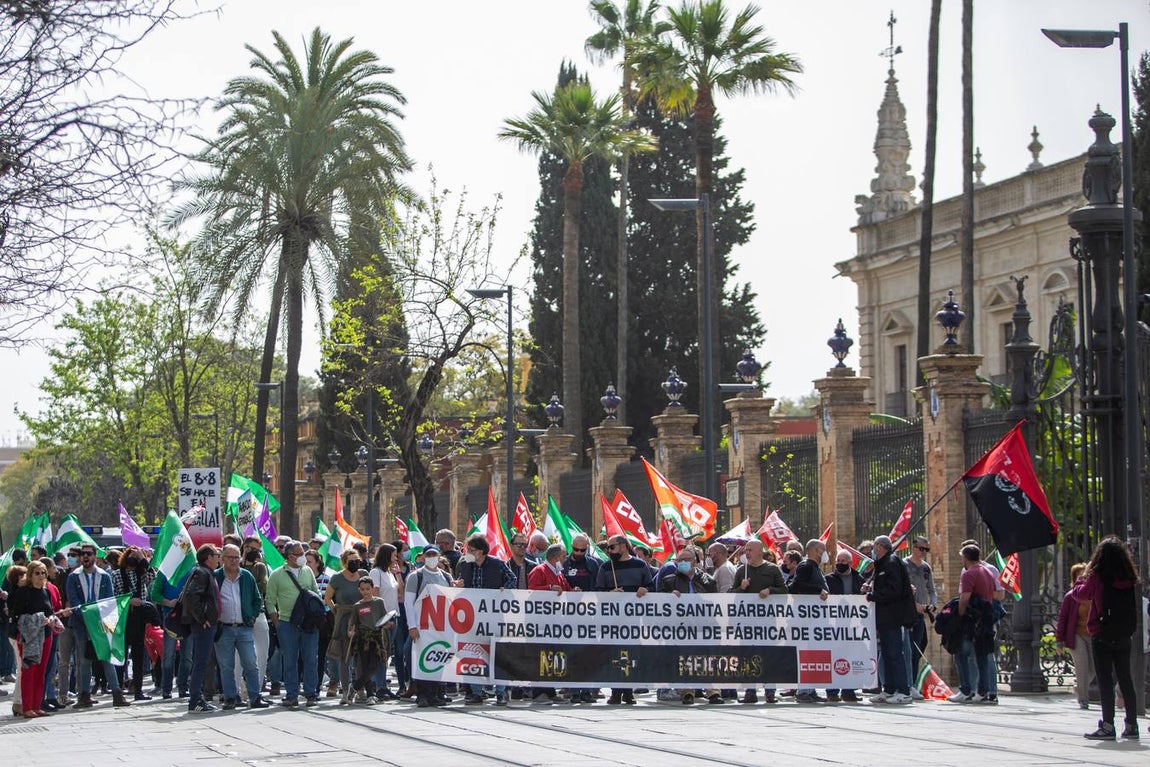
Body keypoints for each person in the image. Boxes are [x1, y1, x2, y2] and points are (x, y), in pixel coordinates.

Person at [1068, 536, 1140, 740]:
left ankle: (1108, 725)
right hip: (1124, 633)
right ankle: (1132, 725)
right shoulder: (1129, 576)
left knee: (1106, 680)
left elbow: (1080, 595)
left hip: (1102, 632)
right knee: (1125, 679)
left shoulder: (1097, 576)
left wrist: (1081, 578)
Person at [66, 544, 130, 709]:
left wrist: (99, 622)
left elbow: (109, 601)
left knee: (106, 657)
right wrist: (87, 620)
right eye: (82, 554)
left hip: (101, 625)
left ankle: (117, 693)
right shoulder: (74, 577)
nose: (85, 557)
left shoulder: (104, 576)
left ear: (95, 556)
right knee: (84, 661)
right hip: (81, 625)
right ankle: (84, 696)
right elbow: (74, 602)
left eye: (88, 554)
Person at [455, 534, 516, 706]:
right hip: (472, 617)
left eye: (471, 550)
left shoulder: (497, 564)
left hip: (494, 617)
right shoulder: (465, 565)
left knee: (498, 654)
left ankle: (501, 692)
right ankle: (476, 692)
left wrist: (505, 589)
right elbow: (460, 583)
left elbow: (512, 578)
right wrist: (458, 585)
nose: (468, 553)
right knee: (472, 653)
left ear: (481, 551)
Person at [595, 535, 652, 706]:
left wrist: (645, 590)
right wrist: (610, 594)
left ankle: (628, 691)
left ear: (622, 546)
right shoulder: (606, 567)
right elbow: (598, 592)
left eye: (612, 547)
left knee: (631, 654)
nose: (609, 551)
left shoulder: (640, 565)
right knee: (614, 654)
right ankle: (615, 691)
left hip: (633, 619)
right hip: (612, 620)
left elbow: (651, 586)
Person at [266, 540, 322, 708]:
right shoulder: (277, 574)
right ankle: (292, 695)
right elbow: (270, 599)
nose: (303, 557)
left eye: (303, 554)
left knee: (311, 658)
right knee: (290, 660)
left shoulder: (308, 572)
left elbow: (316, 592)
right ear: (289, 556)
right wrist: (276, 621)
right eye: (299, 554)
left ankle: (311, 693)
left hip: (308, 623)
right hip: (287, 623)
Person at [660, 546, 720, 704]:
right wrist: (669, 597)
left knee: (707, 658)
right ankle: (687, 691)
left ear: (695, 561)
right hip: (682, 627)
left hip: (704, 625)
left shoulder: (708, 580)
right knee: (685, 658)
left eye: (686, 560)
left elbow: (714, 602)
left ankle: (713, 692)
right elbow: (658, 602)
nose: (682, 563)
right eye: (679, 560)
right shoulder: (669, 581)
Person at [213, 544, 269, 710]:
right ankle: (230, 697)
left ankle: (255, 696)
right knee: (226, 665)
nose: (234, 561)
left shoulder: (246, 576)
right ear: (222, 559)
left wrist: (251, 617)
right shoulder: (216, 577)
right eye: (230, 557)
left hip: (244, 627)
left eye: (237, 557)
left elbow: (257, 599)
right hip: (224, 628)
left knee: (251, 663)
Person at [732, 539, 785, 704]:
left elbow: (784, 590)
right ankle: (750, 690)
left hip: (768, 622)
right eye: (746, 550)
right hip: (747, 623)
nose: (746, 553)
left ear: (760, 552)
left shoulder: (772, 569)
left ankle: (770, 691)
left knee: (769, 655)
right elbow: (732, 594)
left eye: (750, 550)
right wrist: (742, 588)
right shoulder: (741, 571)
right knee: (748, 656)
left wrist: (770, 590)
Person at [865, 535, 914, 705]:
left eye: (874, 546)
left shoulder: (892, 563)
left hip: (893, 616)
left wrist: (873, 596)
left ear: (879, 547)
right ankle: (889, 689)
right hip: (884, 617)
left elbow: (894, 589)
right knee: (886, 653)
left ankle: (904, 691)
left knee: (894, 653)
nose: (873, 549)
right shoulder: (883, 564)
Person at [404, 545, 454, 708]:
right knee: (422, 659)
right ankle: (423, 694)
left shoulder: (446, 576)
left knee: (439, 658)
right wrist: (412, 625)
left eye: (434, 554)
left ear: (439, 556)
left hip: (441, 626)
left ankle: (436, 693)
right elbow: (408, 602)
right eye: (428, 554)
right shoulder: (415, 576)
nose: (432, 557)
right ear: (424, 556)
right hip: (423, 625)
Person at [8, 562, 59, 718]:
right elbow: (16, 614)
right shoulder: (23, 592)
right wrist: (37, 619)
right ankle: (27, 707)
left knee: (41, 671)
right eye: (37, 573)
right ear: (30, 575)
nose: (41, 576)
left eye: (43, 572)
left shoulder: (46, 591)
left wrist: (50, 619)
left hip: (45, 634)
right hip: (28, 637)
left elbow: (50, 611)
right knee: (29, 671)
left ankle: (37, 705)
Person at [950, 544, 997, 705]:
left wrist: (960, 615)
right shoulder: (987, 571)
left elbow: (964, 598)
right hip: (986, 618)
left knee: (961, 653)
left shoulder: (969, 574)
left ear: (965, 557)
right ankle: (983, 691)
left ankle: (965, 689)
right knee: (982, 656)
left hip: (972, 620)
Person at [110, 545, 156, 700]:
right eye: (130, 556)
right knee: (121, 655)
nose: (132, 560)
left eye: (135, 557)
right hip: (123, 618)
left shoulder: (141, 574)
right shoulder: (116, 574)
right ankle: (118, 688)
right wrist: (129, 601)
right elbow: (114, 597)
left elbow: (152, 576)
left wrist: (142, 558)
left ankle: (138, 690)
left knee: (138, 655)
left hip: (139, 619)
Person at [788, 539, 830, 703]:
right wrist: (818, 590)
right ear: (817, 550)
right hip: (806, 620)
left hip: (814, 619)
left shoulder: (814, 568)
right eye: (824, 549)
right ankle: (803, 690)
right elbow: (796, 586)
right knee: (806, 652)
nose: (826, 553)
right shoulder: (806, 566)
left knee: (813, 654)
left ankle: (810, 688)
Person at [182, 544, 221, 713]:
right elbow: (191, 595)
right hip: (203, 625)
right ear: (208, 557)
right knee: (201, 662)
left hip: (209, 624)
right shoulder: (202, 572)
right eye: (216, 554)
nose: (218, 557)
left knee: (202, 661)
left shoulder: (207, 573)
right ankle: (195, 699)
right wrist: (202, 618)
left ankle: (197, 697)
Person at [150, 550, 192, 700]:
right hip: (170, 619)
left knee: (187, 656)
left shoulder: (191, 570)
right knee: (168, 655)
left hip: (188, 618)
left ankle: (183, 687)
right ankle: (166, 688)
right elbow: (154, 594)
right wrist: (168, 602)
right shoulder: (163, 572)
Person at [346, 576, 395, 705]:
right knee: (365, 666)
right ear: (359, 590)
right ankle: (370, 695)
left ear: (372, 588)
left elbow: (384, 618)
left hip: (377, 638)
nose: (365, 592)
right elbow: (353, 623)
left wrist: (387, 624)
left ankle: (355, 686)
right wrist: (351, 632)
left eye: (368, 589)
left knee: (374, 666)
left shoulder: (379, 602)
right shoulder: (357, 606)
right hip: (363, 638)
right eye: (362, 589)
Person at [826, 549, 865, 703]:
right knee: (834, 657)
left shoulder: (858, 579)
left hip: (853, 626)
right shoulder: (829, 579)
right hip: (835, 626)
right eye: (838, 560)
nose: (840, 563)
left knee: (851, 657)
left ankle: (849, 691)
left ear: (850, 563)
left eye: (843, 561)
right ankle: (832, 691)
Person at [324, 549, 363, 700]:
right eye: (351, 561)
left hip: (361, 617)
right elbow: (328, 598)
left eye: (357, 560)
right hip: (344, 619)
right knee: (345, 657)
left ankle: (359, 689)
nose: (355, 563)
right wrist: (336, 612)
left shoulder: (364, 574)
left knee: (361, 656)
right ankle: (345, 690)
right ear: (345, 562)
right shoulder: (337, 578)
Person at [1056, 562, 1095, 710]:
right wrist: (1059, 641)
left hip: (1091, 634)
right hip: (1076, 635)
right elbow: (1062, 619)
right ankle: (1083, 699)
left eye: (1084, 574)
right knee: (1082, 666)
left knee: (1093, 670)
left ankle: (1079, 687)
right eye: (1079, 575)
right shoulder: (1071, 596)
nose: (1083, 577)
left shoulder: (1094, 593)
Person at [368, 543, 402, 700]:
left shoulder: (390, 573)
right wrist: (381, 619)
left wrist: (398, 575)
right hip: (383, 618)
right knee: (381, 652)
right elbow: (374, 596)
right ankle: (379, 686)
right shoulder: (376, 572)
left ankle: (381, 685)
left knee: (386, 653)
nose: (396, 557)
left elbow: (400, 593)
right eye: (394, 554)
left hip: (393, 615)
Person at [904, 535, 937, 692]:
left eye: (927, 549)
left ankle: (913, 683)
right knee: (909, 649)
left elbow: (931, 589)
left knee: (918, 648)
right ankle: (907, 684)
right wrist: (913, 604)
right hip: (907, 613)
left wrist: (933, 603)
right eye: (922, 549)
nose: (924, 552)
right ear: (914, 547)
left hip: (921, 614)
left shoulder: (926, 568)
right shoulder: (904, 565)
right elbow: (902, 590)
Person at [240, 536, 271, 696]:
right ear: (244, 548)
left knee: (262, 653)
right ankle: (238, 690)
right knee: (238, 657)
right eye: (252, 549)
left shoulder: (260, 567)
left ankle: (256, 690)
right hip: (238, 615)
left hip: (258, 613)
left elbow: (263, 586)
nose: (254, 552)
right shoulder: (236, 565)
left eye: (258, 550)